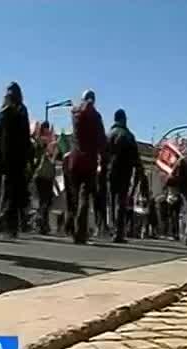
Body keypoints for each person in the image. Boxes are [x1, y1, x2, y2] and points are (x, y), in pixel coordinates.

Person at [67, 89, 107, 244]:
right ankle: (80, 233)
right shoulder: (96, 117)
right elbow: (101, 141)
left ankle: (70, 228)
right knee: (84, 198)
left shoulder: (75, 114)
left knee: (74, 196)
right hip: (89, 162)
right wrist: (103, 159)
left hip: (74, 159)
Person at [0, 82, 32, 238]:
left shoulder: (4, 111)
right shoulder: (21, 111)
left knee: (9, 192)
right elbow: (25, 137)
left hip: (8, 157)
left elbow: (1, 137)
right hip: (17, 157)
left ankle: (5, 223)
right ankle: (10, 225)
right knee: (15, 193)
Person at [106, 109, 142, 243]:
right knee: (121, 202)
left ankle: (111, 228)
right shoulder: (129, 135)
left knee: (111, 201)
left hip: (111, 171)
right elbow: (136, 158)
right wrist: (138, 171)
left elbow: (103, 154)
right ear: (123, 119)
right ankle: (118, 232)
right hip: (125, 172)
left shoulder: (109, 134)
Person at [33, 121, 57, 235]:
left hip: (45, 174)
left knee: (45, 201)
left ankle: (42, 223)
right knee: (45, 200)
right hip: (44, 174)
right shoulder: (44, 142)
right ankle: (41, 223)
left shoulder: (44, 141)